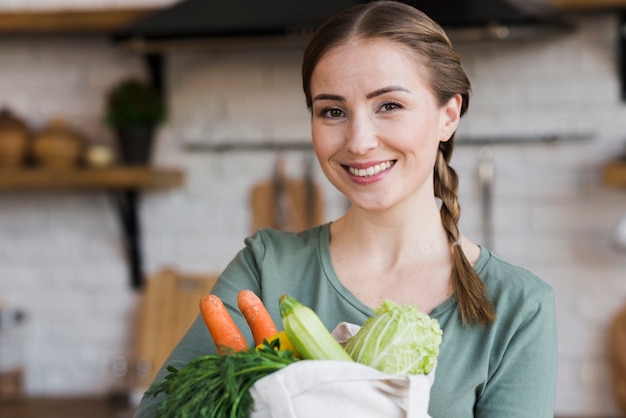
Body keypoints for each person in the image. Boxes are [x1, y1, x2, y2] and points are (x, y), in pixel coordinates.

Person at [133, 1, 557, 417]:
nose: (358, 141)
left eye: (389, 106)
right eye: (333, 111)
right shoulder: (266, 268)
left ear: (449, 114)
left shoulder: (519, 306)